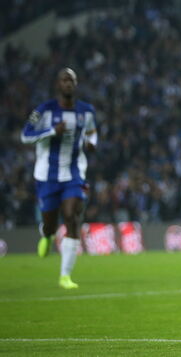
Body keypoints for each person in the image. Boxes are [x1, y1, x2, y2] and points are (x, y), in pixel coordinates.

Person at [20, 68, 98, 289]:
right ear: (58, 84)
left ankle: (65, 276)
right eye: (64, 80)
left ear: (76, 84)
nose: (68, 84)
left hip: (74, 173)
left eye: (72, 80)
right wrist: (52, 131)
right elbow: (25, 135)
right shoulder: (44, 110)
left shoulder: (86, 111)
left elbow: (92, 132)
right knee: (50, 223)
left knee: (72, 216)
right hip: (47, 176)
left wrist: (93, 143)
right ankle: (46, 234)